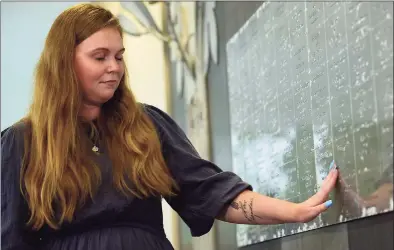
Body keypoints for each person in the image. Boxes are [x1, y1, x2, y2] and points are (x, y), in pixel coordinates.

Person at [1, 3, 338, 250]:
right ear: (64, 62)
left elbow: (211, 193)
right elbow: (10, 239)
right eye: (99, 56)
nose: (114, 68)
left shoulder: (146, 125)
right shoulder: (21, 142)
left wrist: (293, 211)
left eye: (119, 56)